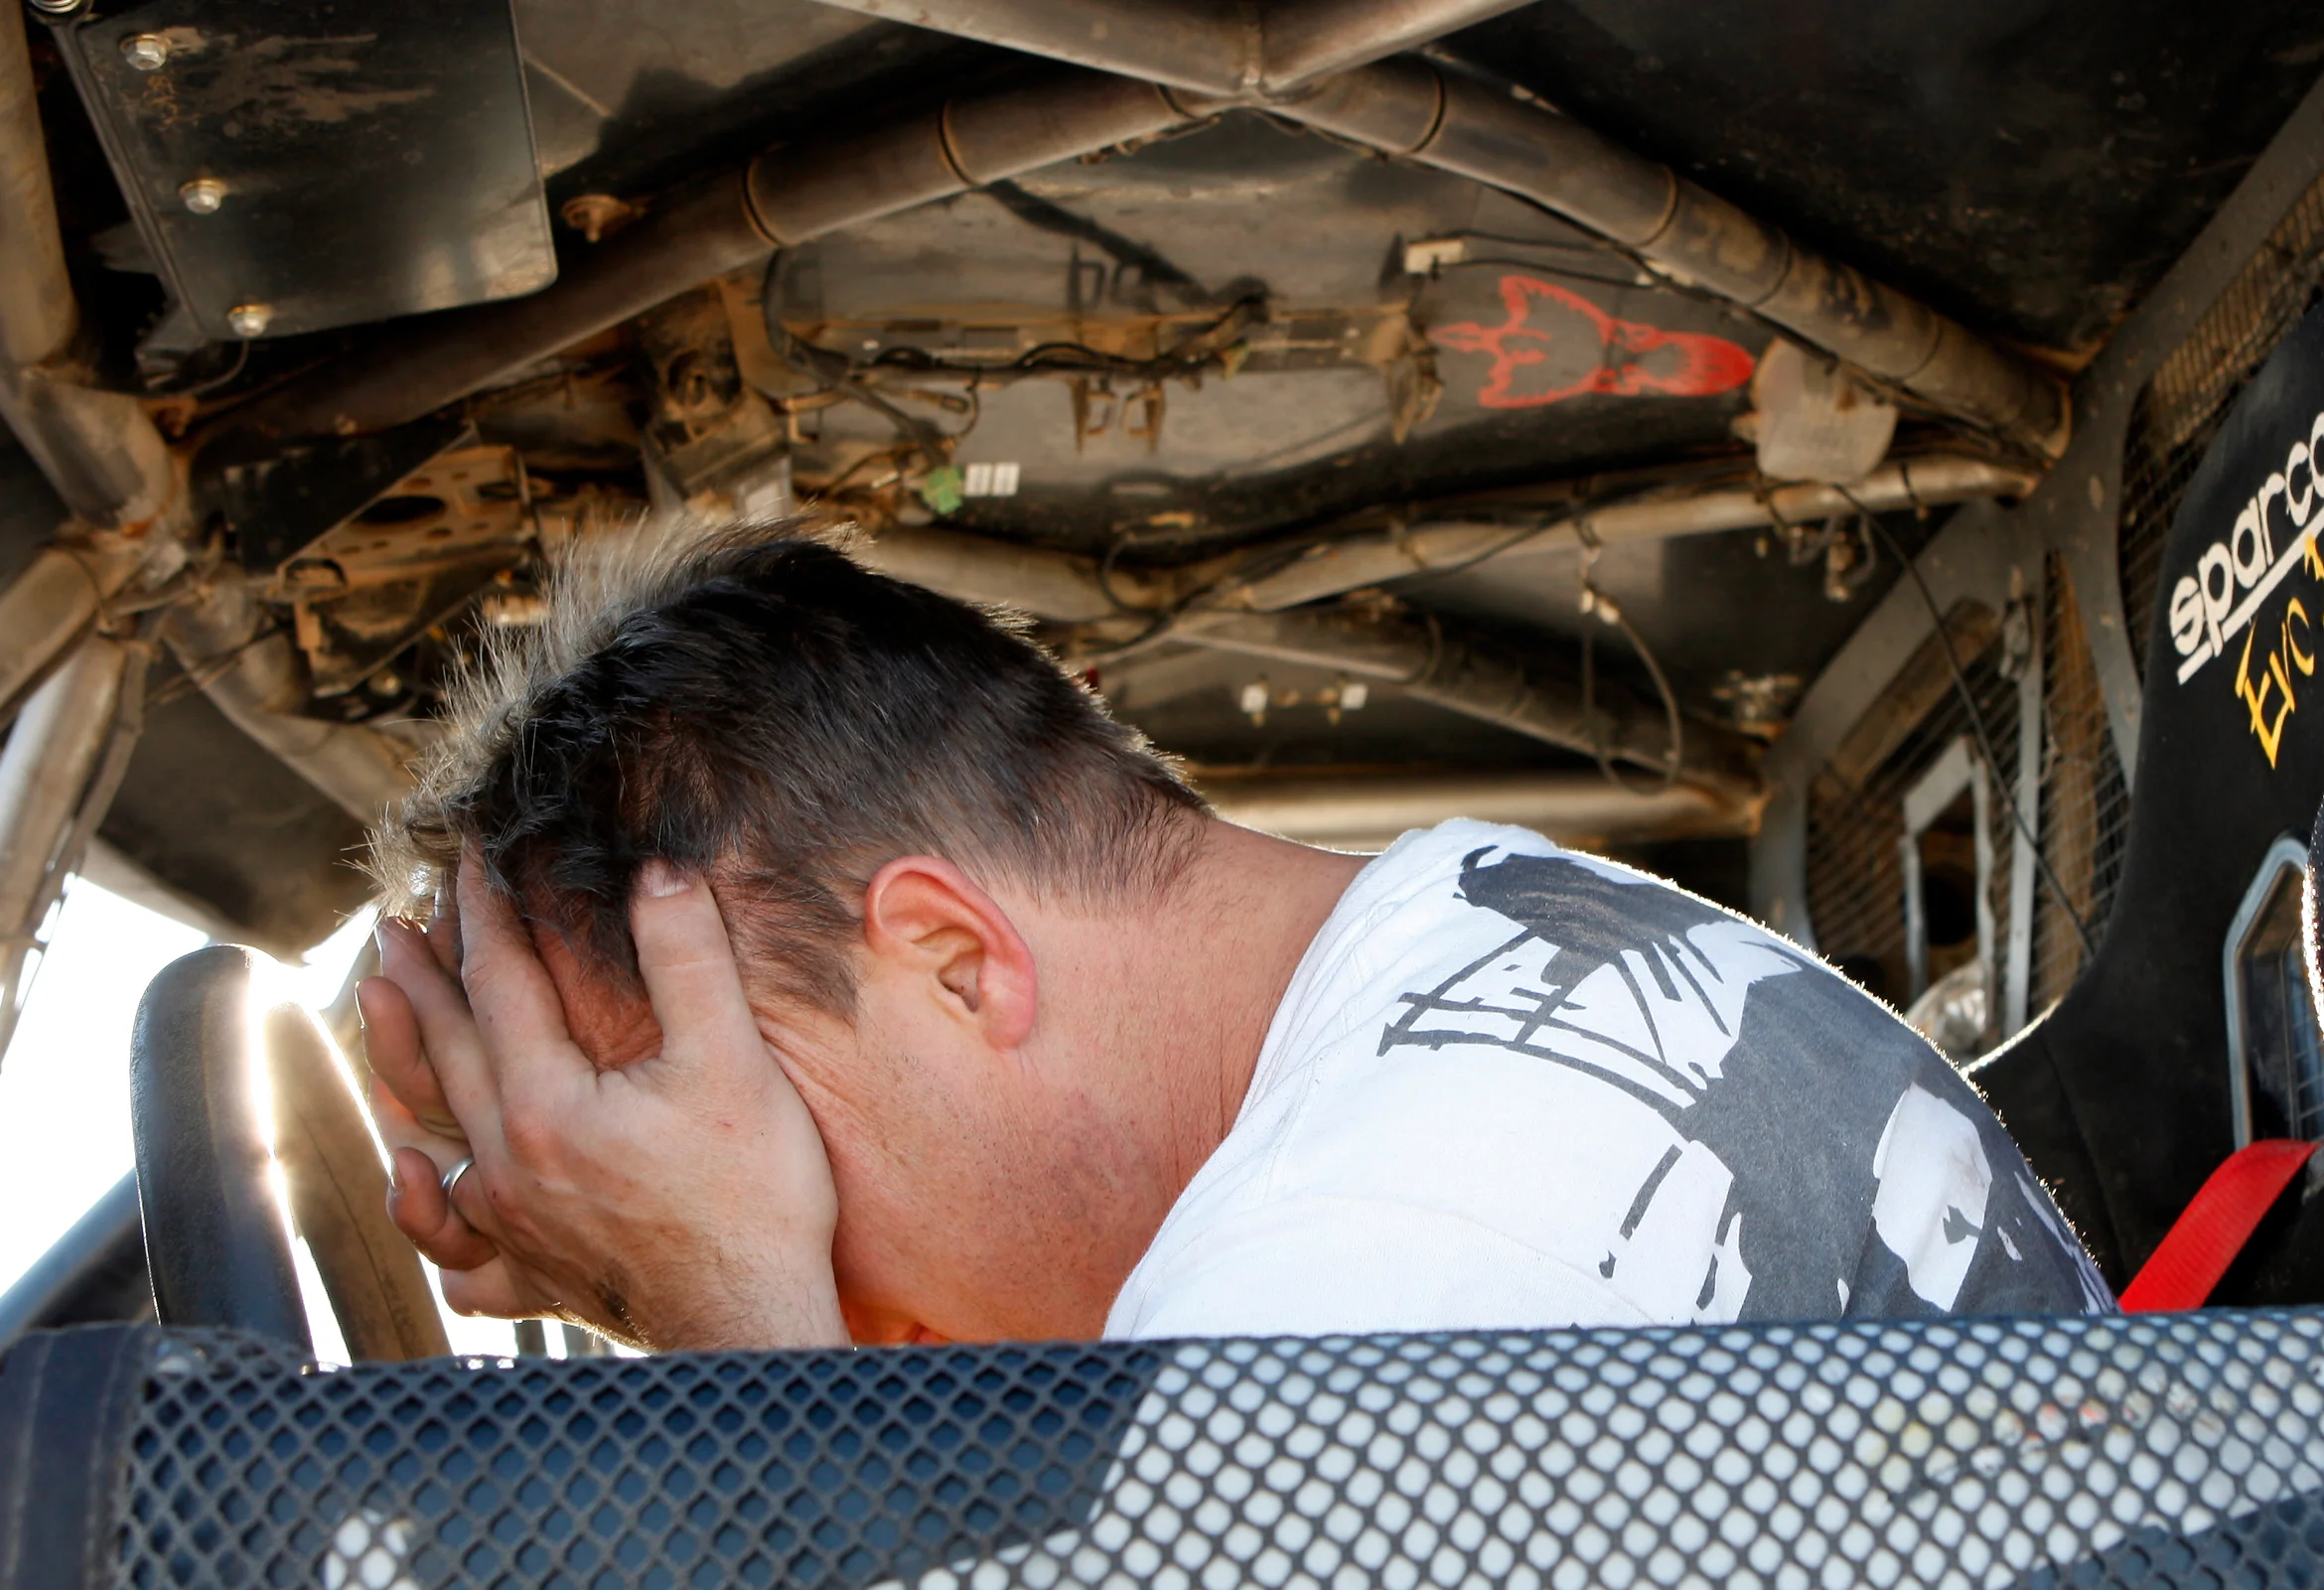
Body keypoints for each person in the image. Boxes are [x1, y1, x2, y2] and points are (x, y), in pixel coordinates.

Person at [360, 516, 2115, 1351]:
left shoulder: (1377, 1264)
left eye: (755, 1158)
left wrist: (736, 1323)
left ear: (954, 961)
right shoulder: (1487, 932)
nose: (853, 1312)